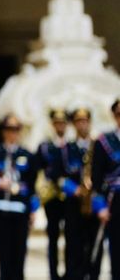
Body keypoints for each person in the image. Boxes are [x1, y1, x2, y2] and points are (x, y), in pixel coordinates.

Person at [0, 114, 38, 280]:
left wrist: (33, 209)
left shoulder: (26, 154)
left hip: (20, 210)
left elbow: (32, 185)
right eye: (8, 129)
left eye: (15, 129)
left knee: (19, 255)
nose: (12, 133)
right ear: (3, 131)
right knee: (3, 255)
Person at [60, 107, 100, 279]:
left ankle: (92, 275)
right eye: (78, 121)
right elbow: (57, 175)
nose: (82, 124)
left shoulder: (97, 146)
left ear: (89, 123)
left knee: (94, 243)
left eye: (85, 121)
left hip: (93, 201)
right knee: (74, 243)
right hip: (74, 202)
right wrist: (74, 189)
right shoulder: (66, 148)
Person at [36, 108, 69, 280]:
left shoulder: (71, 145)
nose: (60, 126)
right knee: (53, 236)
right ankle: (53, 274)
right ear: (52, 124)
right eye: (57, 123)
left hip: (69, 197)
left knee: (71, 236)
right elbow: (39, 170)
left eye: (62, 123)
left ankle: (70, 272)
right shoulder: (45, 146)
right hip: (52, 197)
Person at [90, 100, 120, 280]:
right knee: (116, 248)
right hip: (114, 199)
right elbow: (97, 177)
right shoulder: (104, 141)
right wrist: (100, 206)